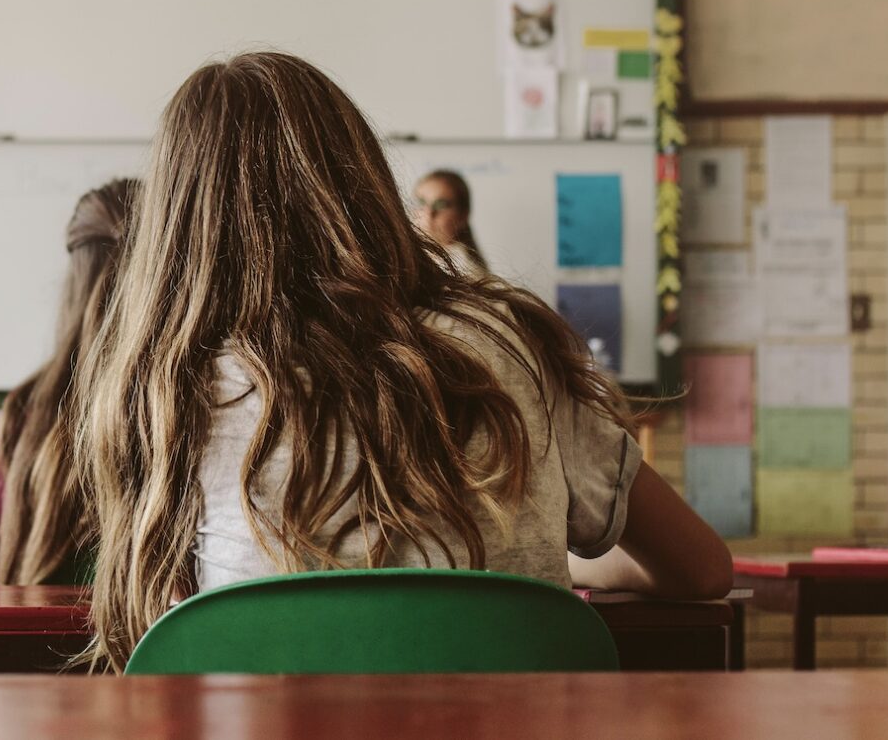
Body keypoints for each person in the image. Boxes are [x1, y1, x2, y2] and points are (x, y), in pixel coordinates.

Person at [76, 53, 732, 668]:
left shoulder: (171, 386)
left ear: (175, 222)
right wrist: (566, 563)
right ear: (363, 180)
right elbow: (701, 569)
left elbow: (169, 638)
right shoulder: (506, 341)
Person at [0, 178, 139, 586]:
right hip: (148, 645)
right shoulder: (181, 398)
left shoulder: (28, 407)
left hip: (33, 643)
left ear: (73, 279)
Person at [412, 169, 490, 276]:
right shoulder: (411, 257)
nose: (428, 213)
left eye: (441, 205)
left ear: (463, 216)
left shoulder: (464, 271)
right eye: (421, 202)